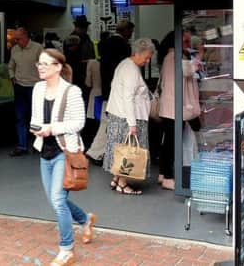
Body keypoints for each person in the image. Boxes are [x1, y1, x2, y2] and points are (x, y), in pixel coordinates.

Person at [30, 48, 96, 266]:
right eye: (39, 63)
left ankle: (66, 250)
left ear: (58, 67)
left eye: (45, 64)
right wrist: (37, 128)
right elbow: (36, 117)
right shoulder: (38, 89)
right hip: (44, 150)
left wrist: (51, 128)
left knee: (58, 201)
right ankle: (86, 219)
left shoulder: (72, 91)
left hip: (64, 152)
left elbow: (79, 123)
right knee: (55, 200)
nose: (40, 67)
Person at [102, 38, 155, 195]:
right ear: (138, 53)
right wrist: (132, 124)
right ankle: (123, 183)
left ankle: (117, 178)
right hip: (128, 118)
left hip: (117, 114)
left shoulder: (124, 64)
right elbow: (128, 98)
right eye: (147, 56)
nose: (148, 59)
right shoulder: (131, 70)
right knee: (128, 151)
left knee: (120, 149)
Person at [86, 20, 135, 165]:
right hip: (118, 91)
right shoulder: (123, 46)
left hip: (107, 88)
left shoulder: (105, 43)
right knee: (112, 123)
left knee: (106, 121)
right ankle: (98, 152)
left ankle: (97, 151)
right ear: (125, 31)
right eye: (130, 31)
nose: (131, 34)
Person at [158, 30, 201, 190]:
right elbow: (191, 69)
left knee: (168, 142)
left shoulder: (170, 57)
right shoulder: (175, 57)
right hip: (174, 108)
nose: (188, 45)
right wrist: (200, 53)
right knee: (171, 143)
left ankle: (163, 173)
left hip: (171, 107)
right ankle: (168, 177)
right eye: (185, 42)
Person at [8, 26, 43, 156]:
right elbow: (11, 66)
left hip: (35, 86)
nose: (16, 41)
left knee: (37, 117)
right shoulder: (14, 50)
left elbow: (44, 64)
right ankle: (22, 146)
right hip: (20, 86)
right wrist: (12, 77)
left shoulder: (38, 48)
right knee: (20, 117)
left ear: (26, 37)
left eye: (18, 38)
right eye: (15, 39)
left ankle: (37, 144)